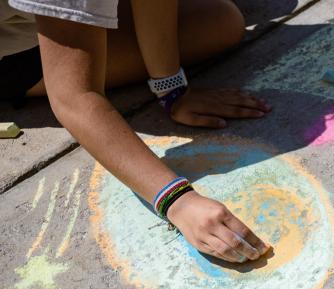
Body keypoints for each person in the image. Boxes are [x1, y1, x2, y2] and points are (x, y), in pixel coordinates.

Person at [1, 0, 271, 263]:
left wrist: (171, 86)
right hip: (16, 54)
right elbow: (75, 98)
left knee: (222, 19)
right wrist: (178, 201)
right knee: (216, 22)